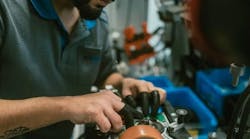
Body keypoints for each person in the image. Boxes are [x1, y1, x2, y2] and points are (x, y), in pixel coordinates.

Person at [0, 0, 166, 139]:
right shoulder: (6, 9)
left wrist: (122, 84)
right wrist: (66, 106)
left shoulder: (96, 20)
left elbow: (105, 73)